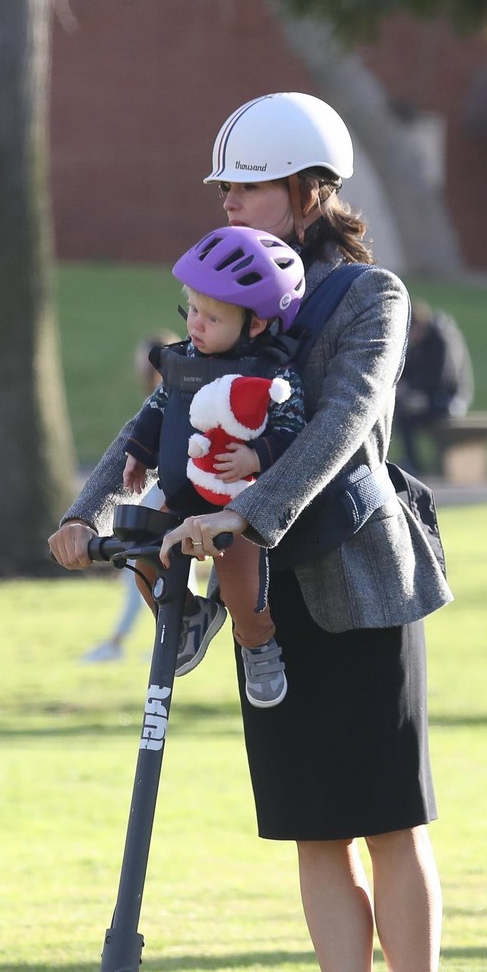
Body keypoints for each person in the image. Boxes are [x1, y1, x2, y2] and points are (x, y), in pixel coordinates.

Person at [49, 92, 454, 972]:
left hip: (356, 585)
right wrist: (92, 511)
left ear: (309, 193)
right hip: (264, 600)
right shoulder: (222, 290)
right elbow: (163, 406)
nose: (230, 199)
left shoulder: (368, 295)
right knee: (316, 826)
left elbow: (346, 420)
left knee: (388, 821)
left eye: (249, 185)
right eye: (225, 185)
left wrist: (250, 514)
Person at [124, 225, 306, 708]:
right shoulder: (183, 361)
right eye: (193, 311)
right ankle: (186, 613)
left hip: (235, 497)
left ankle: (257, 642)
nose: (196, 326)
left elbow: (293, 431)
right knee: (138, 545)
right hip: (179, 483)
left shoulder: (272, 375)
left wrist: (255, 455)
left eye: (212, 318)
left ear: (257, 324)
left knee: (244, 582)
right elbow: (158, 408)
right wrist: (139, 453)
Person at [81, 333, 182, 665]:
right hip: (157, 492)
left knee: (143, 568)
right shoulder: (160, 397)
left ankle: (126, 640)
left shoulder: (175, 393)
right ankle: (170, 633)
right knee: (159, 569)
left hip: (164, 491)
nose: (140, 367)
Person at [395, 300, 473, 475]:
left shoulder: (442, 338)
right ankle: (412, 462)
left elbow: (444, 377)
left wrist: (414, 391)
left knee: (408, 412)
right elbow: (408, 371)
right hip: (427, 397)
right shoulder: (419, 343)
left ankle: (416, 464)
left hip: (450, 399)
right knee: (402, 413)